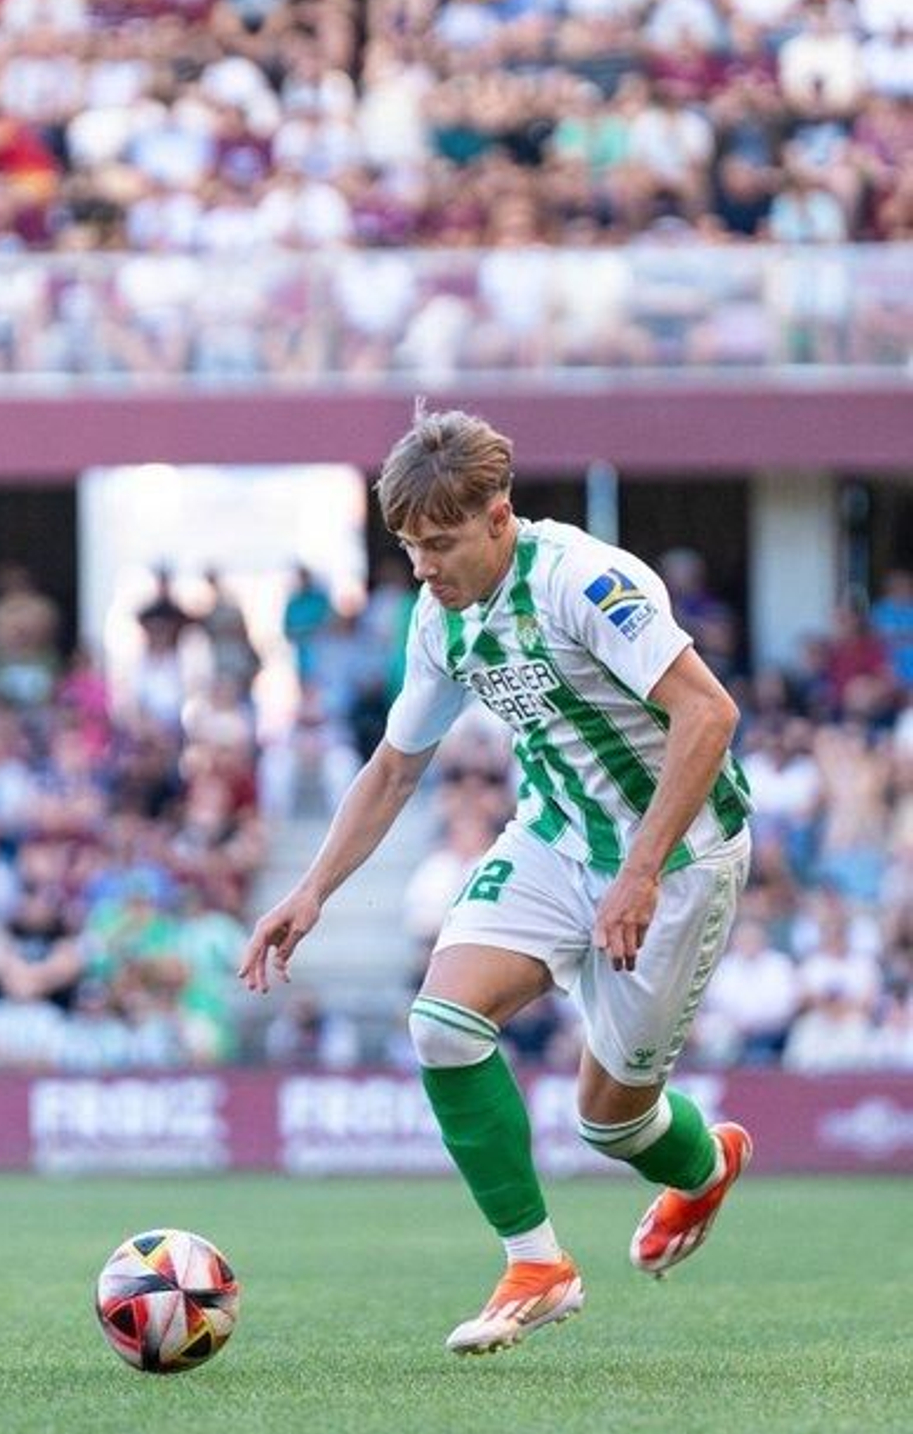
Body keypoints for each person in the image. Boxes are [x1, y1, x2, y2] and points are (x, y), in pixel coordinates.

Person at [241, 410, 753, 1357]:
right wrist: (312, 893)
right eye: (408, 548)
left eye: (440, 544)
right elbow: (396, 766)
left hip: (678, 857)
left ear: (499, 517)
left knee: (612, 1123)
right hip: (556, 838)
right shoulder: (440, 620)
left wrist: (639, 872)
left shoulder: (585, 582)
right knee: (439, 1024)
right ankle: (537, 1265)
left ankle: (706, 1160)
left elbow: (708, 715)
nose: (425, 567)